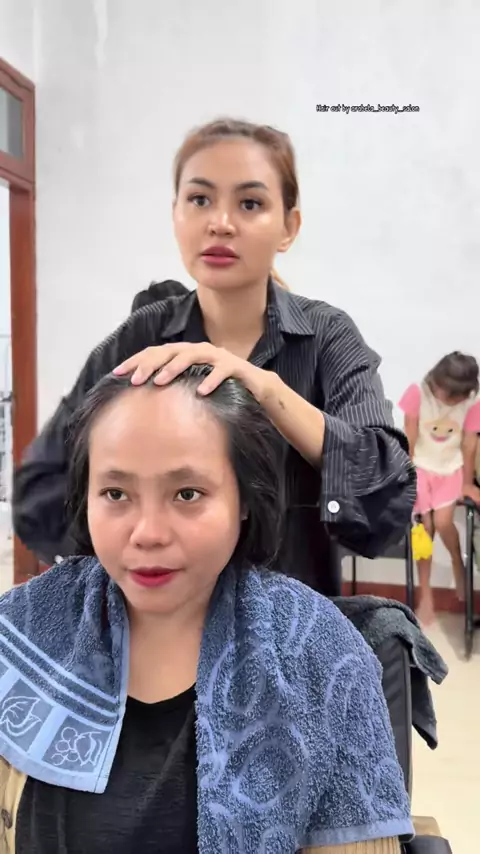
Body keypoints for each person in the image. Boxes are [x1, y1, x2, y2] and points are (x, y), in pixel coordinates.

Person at [0, 367, 413, 852]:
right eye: (115, 494)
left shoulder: (320, 654)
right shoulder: (20, 629)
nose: (148, 533)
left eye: (187, 494)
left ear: (244, 498)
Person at [13, 117, 415, 596]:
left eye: (250, 203)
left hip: (288, 630)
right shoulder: (143, 335)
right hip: (151, 627)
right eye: (200, 199)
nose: (220, 223)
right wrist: (128, 557)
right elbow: (41, 490)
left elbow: (387, 497)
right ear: (176, 214)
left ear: (288, 227)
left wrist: (267, 391)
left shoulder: (327, 335)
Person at [399, 351, 480, 624]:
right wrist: (407, 473)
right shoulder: (417, 393)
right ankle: (425, 594)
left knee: (444, 522)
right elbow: (409, 433)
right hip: (421, 467)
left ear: (463, 394)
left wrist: (467, 483)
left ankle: (457, 560)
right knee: (425, 527)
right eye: (440, 389)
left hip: (451, 468)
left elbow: (469, 443)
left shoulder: (473, 404)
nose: (442, 396)